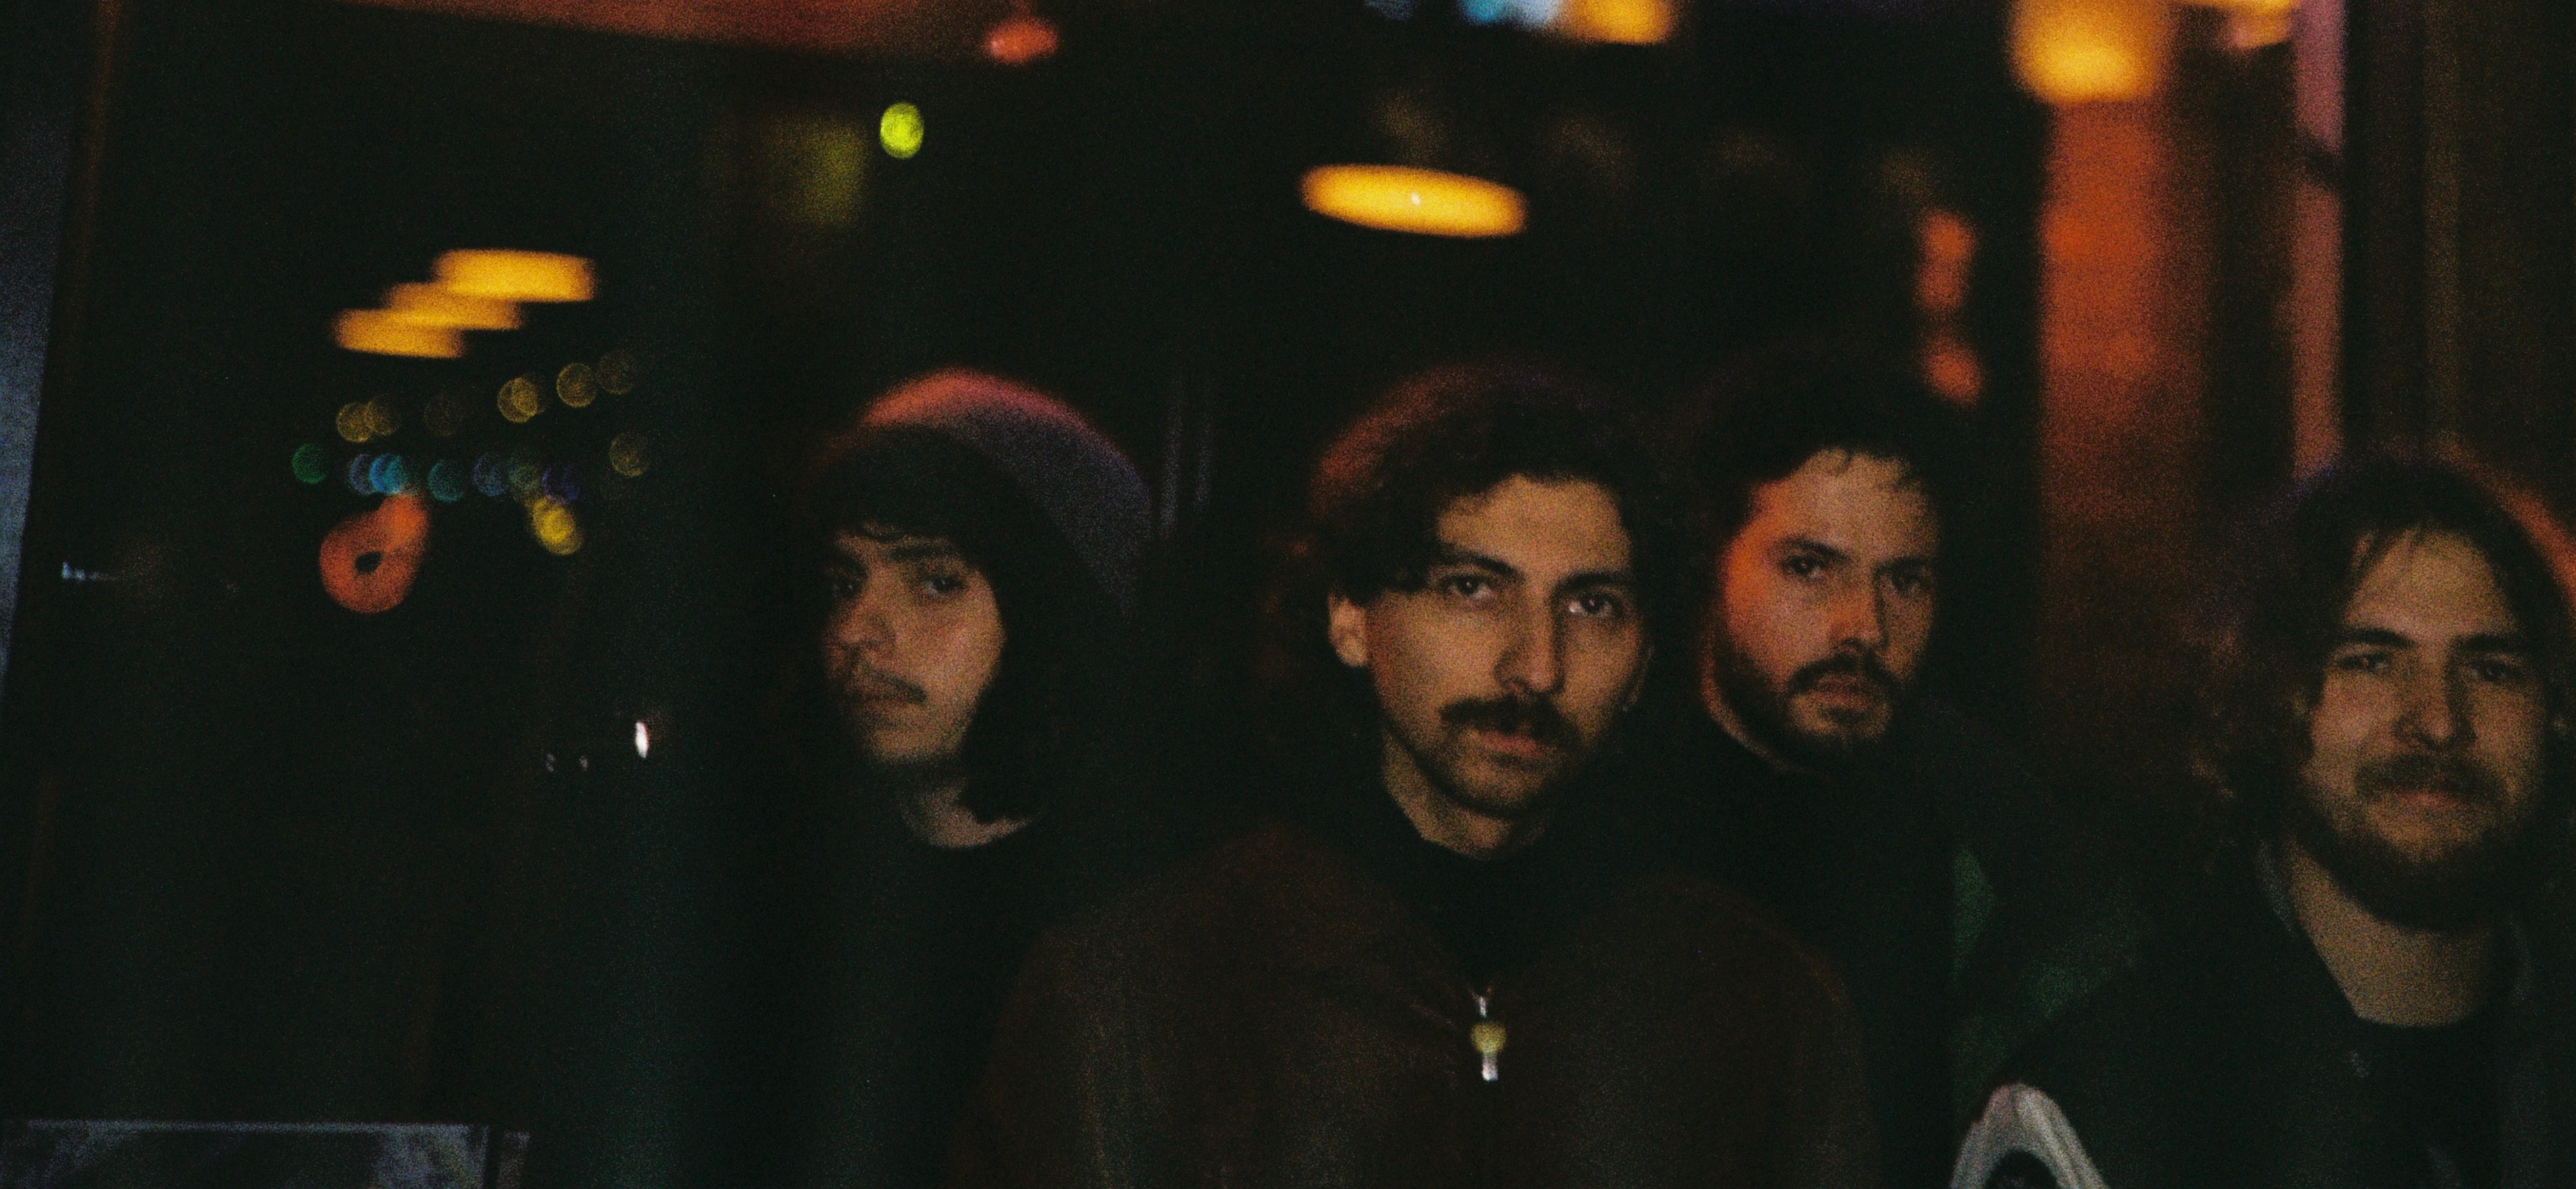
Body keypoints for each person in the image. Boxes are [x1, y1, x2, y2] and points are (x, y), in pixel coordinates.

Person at [950, 363, 1878, 1189]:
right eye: (1471, 588)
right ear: (1350, 616)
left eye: (1592, 604)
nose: (1536, 665)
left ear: (1643, 661)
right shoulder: (1130, 994)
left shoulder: (1762, 1002)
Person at [1953, 449, 2576, 1189]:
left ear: (2560, 717)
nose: (2438, 719)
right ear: (2264, 696)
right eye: (2372, 661)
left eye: (2491, 668)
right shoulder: (2102, 1109)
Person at [1634, 342, 2137, 1188]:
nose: (1863, 624)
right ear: (1708, 563)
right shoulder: (1598, 800)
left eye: (1904, 579)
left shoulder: (1991, 824)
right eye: (1809, 566)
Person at [753, 371, 1156, 1189]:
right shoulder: (771, 894)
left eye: (935, 580)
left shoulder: (1151, 927)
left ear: (1052, 614)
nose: (858, 628)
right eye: (842, 582)